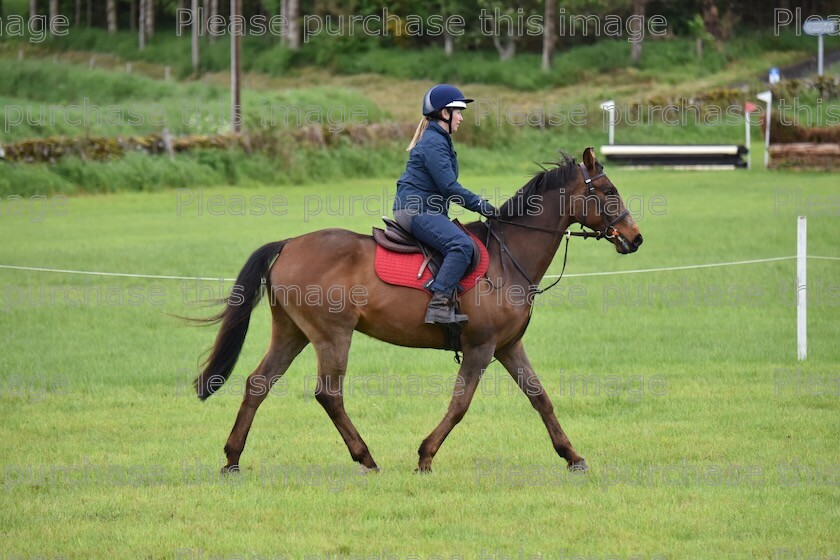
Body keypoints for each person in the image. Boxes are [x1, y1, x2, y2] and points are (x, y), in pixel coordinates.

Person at [393, 84, 497, 325]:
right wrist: (483, 206)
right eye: (458, 112)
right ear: (444, 113)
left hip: (424, 209)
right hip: (416, 210)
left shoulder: (439, 139)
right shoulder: (433, 142)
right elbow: (449, 187)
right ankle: (439, 305)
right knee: (461, 245)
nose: (461, 117)